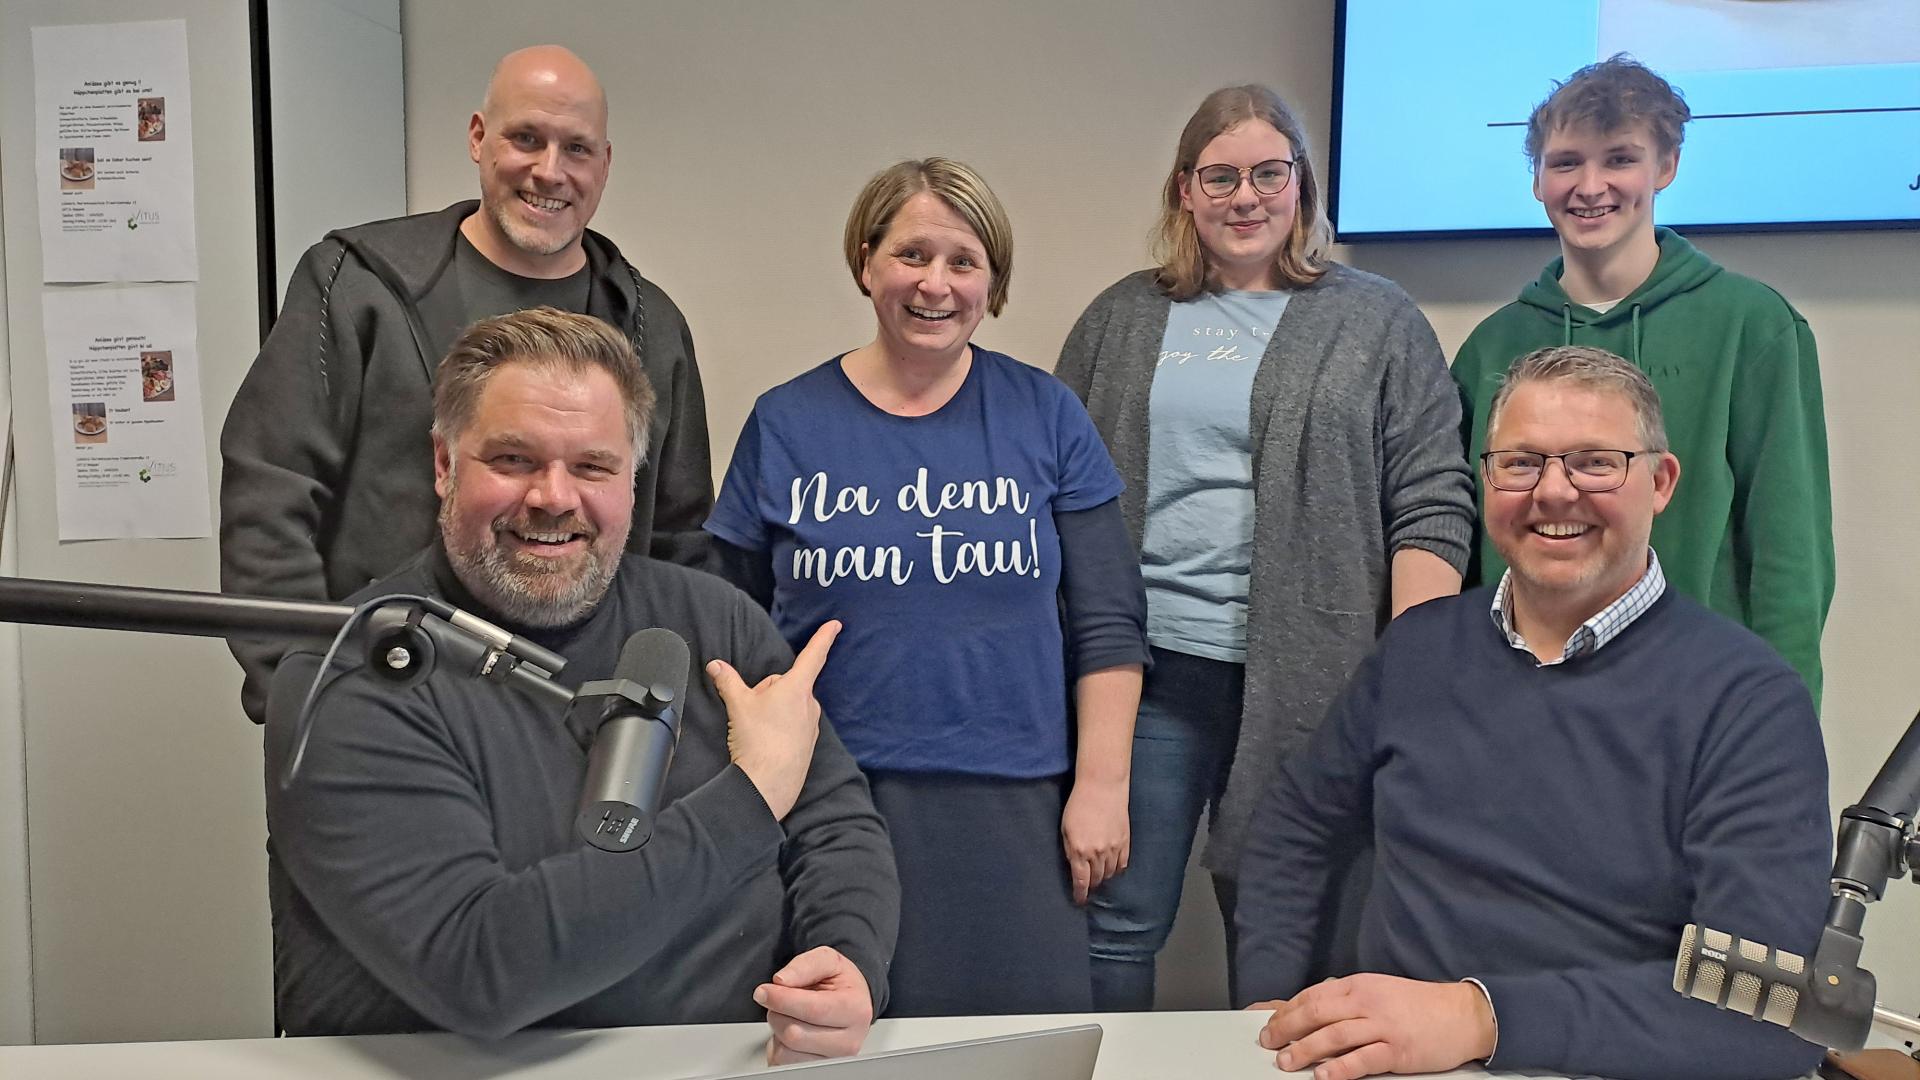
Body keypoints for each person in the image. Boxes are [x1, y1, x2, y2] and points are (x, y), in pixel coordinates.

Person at [263, 309, 896, 1064]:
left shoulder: (714, 621)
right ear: (443, 463)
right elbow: (482, 969)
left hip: (729, 1062)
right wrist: (751, 797)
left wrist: (848, 957)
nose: (553, 497)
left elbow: (833, 820)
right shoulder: (352, 675)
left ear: (633, 478)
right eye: (513, 460)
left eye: (592, 467)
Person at [1237, 346, 1830, 1080]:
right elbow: (1298, 824)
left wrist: (1481, 1017)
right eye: (1520, 463)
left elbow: (1765, 1010)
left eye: (1594, 462)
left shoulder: (1746, 701)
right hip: (1397, 1066)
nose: (1553, 492)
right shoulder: (1418, 651)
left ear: (1661, 481)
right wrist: (1268, 1004)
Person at [1054, 84, 1475, 1009]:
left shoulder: (1378, 319)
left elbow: (1434, 497)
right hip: (1150, 673)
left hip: (1315, 678)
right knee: (1115, 914)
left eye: (1268, 173)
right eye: (1220, 176)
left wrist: (1412, 665)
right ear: (1183, 192)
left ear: (1302, 185)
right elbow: (1060, 494)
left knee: (1285, 925)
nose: (1245, 196)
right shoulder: (1120, 319)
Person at [705, 158, 1149, 1016]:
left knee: (1021, 1052)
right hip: (830, 797)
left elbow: (1109, 623)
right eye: (912, 255)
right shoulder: (787, 421)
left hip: (1017, 802)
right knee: (842, 1037)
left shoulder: (1045, 414)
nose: (935, 285)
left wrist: (1102, 785)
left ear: (993, 281)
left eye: (964, 262)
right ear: (866, 261)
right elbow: (731, 628)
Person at [222, 45, 714, 723]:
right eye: (526, 139)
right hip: (382, 696)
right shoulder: (359, 287)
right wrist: (302, 689)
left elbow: (681, 544)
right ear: (479, 138)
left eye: (577, 148)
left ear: (604, 164)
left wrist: (659, 718)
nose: (550, 171)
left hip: (579, 719)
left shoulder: (650, 326)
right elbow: (268, 498)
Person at [1451, 54, 1832, 705]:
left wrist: (1782, 720)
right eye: (1566, 162)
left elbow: (1789, 556)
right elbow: (1464, 551)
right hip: (1522, 701)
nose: (1590, 185)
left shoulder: (1752, 325)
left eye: (1620, 159)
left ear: (1666, 167)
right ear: (1537, 180)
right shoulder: (1493, 346)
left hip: (1697, 700)